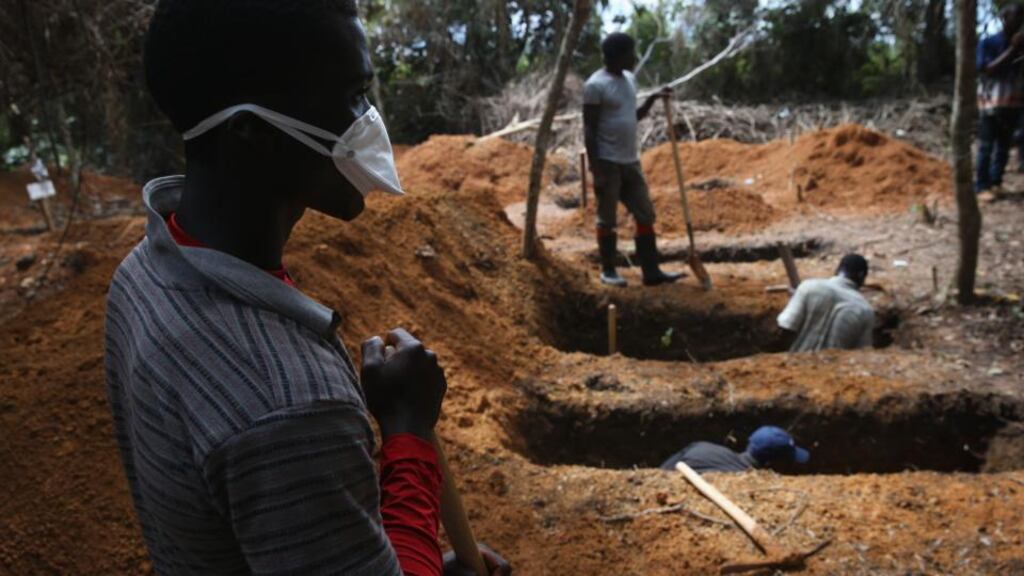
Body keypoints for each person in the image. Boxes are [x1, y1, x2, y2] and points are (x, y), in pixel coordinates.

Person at [104, 2, 510, 575]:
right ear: (252, 133)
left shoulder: (140, 278)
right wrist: (408, 433)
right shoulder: (291, 405)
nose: (368, 121)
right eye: (350, 97)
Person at [583, 32, 683, 287]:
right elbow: (589, 130)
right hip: (607, 161)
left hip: (630, 161)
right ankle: (609, 270)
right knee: (607, 218)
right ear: (616, 56)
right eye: (631, 52)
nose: (635, 57)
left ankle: (651, 271)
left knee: (645, 214)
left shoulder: (630, 80)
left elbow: (632, 116)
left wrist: (652, 99)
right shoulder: (595, 85)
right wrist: (596, 169)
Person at [776, 254, 875, 353]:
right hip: (833, 367)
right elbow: (863, 354)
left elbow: (786, 328)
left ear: (837, 269)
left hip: (793, 364)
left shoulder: (808, 287)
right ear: (861, 275)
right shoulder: (865, 310)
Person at [976, 3, 1024, 197]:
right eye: (1015, 17)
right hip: (991, 103)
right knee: (987, 145)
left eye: (1021, 18)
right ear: (1004, 18)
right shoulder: (988, 43)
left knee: (1004, 145)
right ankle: (981, 186)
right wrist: (1012, 50)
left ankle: (996, 182)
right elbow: (986, 69)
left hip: (1014, 103)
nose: (1018, 21)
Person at [660, 426, 810, 474]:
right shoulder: (743, 482)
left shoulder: (701, 446)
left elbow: (660, 472)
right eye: (788, 462)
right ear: (771, 465)